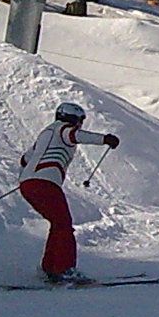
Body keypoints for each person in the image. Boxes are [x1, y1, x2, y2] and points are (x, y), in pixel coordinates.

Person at [18, 102, 119, 284]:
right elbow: (76, 136)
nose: (80, 124)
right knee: (64, 224)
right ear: (72, 119)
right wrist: (105, 139)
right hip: (46, 183)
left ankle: (50, 268)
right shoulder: (64, 129)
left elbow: (25, 159)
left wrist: (31, 174)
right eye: (80, 120)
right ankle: (64, 270)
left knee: (58, 223)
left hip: (28, 184)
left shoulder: (45, 133)